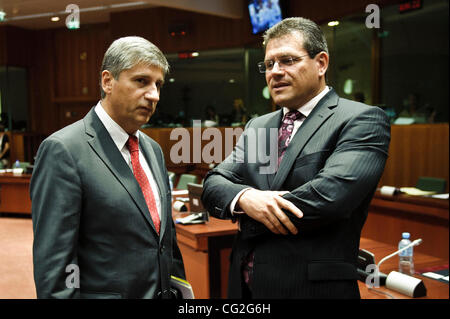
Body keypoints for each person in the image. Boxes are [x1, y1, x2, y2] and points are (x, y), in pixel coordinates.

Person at [201, 17, 390, 299]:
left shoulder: (360, 120)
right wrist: (244, 199)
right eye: (268, 64)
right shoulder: (259, 126)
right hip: (244, 286)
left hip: (311, 289)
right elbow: (214, 183)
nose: (275, 72)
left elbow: (328, 199)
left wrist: (249, 210)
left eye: (287, 60)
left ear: (321, 63)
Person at [31, 36, 185, 299]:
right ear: (107, 81)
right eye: (141, 81)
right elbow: (55, 268)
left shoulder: (153, 150)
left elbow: (165, 244)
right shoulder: (63, 150)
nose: (154, 95)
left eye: (158, 84)